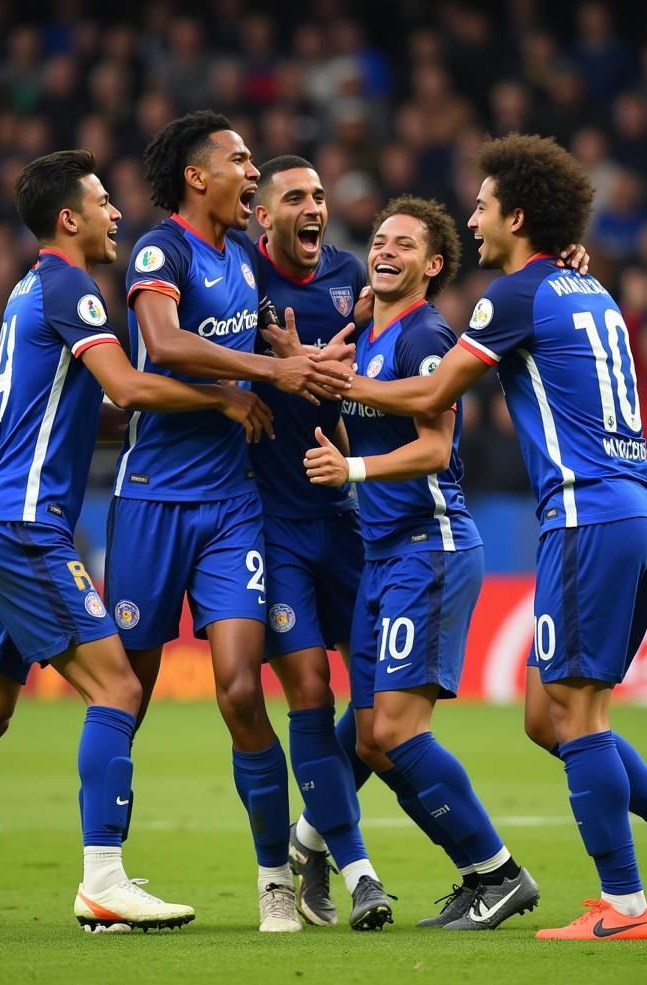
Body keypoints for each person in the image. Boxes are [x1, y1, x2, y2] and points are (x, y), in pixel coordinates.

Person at [0, 148, 272, 932]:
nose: (115, 214)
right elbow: (130, 388)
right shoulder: (73, 285)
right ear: (69, 218)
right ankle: (104, 877)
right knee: (119, 688)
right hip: (26, 526)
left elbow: (93, 409)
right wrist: (228, 399)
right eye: (103, 203)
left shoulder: (29, 288)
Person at [339, 133, 647, 940]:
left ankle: (624, 906)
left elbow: (438, 390)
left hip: (586, 515)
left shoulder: (515, 294)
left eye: (484, 207)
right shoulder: (588, 290)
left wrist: (332, 380)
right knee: (545, 714)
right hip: (640, 512)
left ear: (518, 216)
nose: (474, 221)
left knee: (579, 714)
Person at [105, 111, 350, 933]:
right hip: (148, 500)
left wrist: (565, 254)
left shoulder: (248, 257)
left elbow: (325, 285)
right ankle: (104, 871)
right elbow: (164, 344)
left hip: (231, 508)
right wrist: (257, 374)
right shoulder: (159, 249)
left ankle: (275, 878)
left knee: (243, 690)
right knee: (127, 694)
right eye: (241, 161)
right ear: (197, 177)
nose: (253, 172)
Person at [303, 194, 539, 933]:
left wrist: (353, 472)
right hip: (382, 556)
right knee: (371, 734)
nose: (386, 249)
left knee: (397, 733)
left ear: (433, 266)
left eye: (405, 243)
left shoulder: (425, 335)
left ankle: (498, 875)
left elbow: (436, 448)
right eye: (379, 238)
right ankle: (466, 874)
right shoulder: (369, 336)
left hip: (428, 551)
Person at [248, 154, 392, 930]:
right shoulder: (235, 280)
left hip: (342, 515)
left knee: (378, 726)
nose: (314, 208)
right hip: (269, 527)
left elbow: (427, 266)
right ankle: (360, 871)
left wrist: (566, 252)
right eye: (296, 197)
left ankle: (308, 843)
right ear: (261, 214)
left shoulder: (348, 277)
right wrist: (273, 367)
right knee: (308, 689)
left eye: (320, 196)